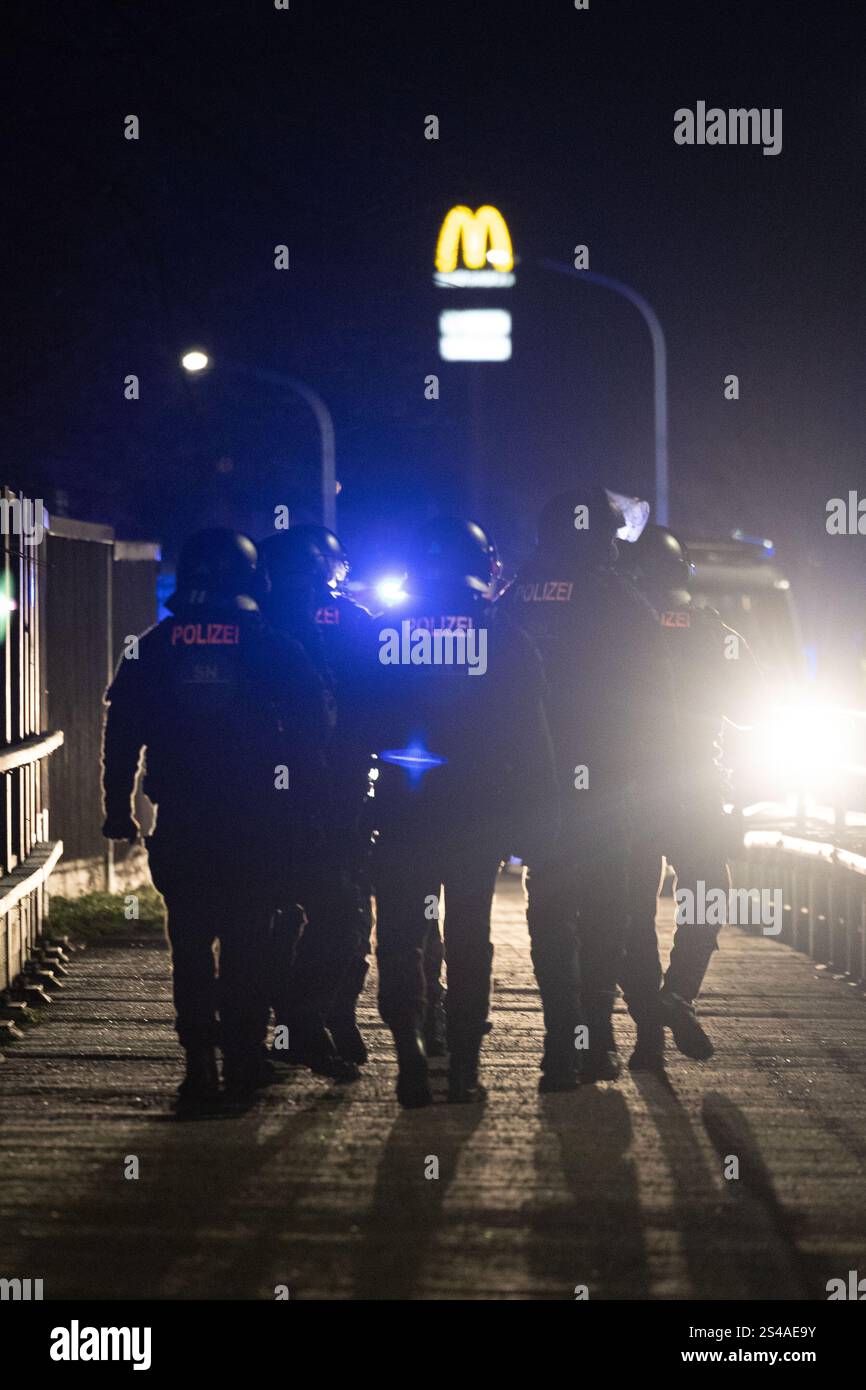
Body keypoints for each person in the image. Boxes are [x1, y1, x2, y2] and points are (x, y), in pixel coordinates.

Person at [101, 528, 331, 1110]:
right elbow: (313, 734)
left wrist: (117, 808)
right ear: (253, 579)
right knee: (250, 944)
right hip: (257, 825)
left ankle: (199, 1064)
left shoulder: (153, 646)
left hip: (182, 824)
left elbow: (122, 733)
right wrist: (311, 810)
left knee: (191, 944)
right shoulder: (274, 645)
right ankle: (245, 1059)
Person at [371, 516, 558, 1107]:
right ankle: (465, 1070)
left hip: (401, 811)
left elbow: (345, 724)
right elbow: (532, 737)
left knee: (399, 934)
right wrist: (539, 817)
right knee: (470, 937)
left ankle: (409, 1053)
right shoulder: (505, 637)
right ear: (485, 570)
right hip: (476, 815)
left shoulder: (379, 635)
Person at [499, 487, 674, 1090]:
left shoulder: (516, 596)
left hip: (538, 785)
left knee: (549, 911)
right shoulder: (618, 599)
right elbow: (658, 697)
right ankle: (594, 1040)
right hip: (603, 787)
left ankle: (558, 1044)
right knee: (605, 914)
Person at [616, 524, 763, 1070]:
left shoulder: (613, 627)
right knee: (706, 895)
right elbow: (752, 708)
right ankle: (678, 995)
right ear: (683, 576)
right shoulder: (711, 630)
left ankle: (648, 1034)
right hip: (695, 787)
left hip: (621, 789)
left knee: (629, 911)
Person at [258, 524, 377, 1081]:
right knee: (345, 904)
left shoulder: (253, 623)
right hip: (338, 788)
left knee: (268, 912)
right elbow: (389, 701)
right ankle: (325, 1017)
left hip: (260, 793)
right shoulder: (353, 621)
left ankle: (284, 1025)